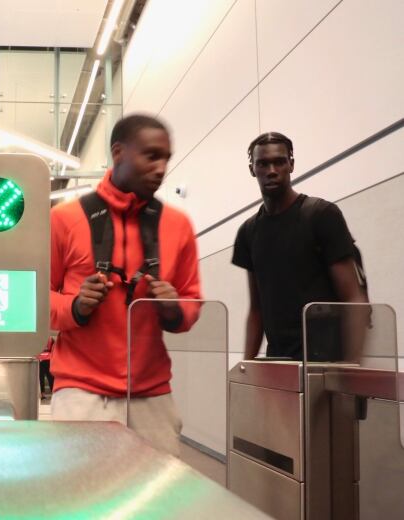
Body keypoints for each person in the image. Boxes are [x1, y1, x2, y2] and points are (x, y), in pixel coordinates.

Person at [49, 114, 202, 456]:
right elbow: (34, 300)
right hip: (80, 395)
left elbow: (192, 300)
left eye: (166, 158)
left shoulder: (178, 226)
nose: (161, 168)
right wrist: (76, 306)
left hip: (153, 397)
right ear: (119, 152)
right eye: (151, 156)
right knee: (82, 503)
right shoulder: (64, 219)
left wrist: (174, 308)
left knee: (158, 507)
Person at [232, 132, 368, 361]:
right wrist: (247, 368)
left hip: (329, 364)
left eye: (279, 161)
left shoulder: (322, 215)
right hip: (281, 365)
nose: (272, 170)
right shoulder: (248, 232)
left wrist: (351, 369)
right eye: (263, 163)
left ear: (291, 164)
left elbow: (353, 299)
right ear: (252, 169)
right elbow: (256, 310)